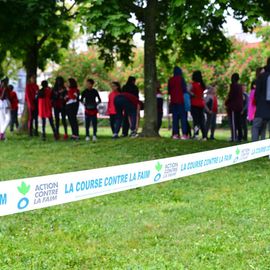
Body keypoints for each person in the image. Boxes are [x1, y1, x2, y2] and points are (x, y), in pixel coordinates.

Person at [252, 58, 270, 141]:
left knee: (256, 126)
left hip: (261, 107)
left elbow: (257, 93)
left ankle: (255, 147)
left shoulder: (262, 76)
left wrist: (258, 103)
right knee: (264, 127)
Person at [168, 66, 188, 139]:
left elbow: (169, 91)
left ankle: (175, 134)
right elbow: (184, 89)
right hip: (180, 100)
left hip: (173, 101)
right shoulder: (181, 79)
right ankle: (184, 134)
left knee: (175, 118)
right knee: (183, 118)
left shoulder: (170, 80)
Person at [189, 70, 207, 140]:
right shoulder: (202, 85)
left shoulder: (193, 84)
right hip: (201, 104)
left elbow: (187, 90)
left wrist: (192, 94)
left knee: (196, 121)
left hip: (194, 104)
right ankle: (204, 136)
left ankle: (196, 135)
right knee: (202, 121)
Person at [225, 73, 243, 142]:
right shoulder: (239, 86)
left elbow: (231, 96)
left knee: (233, 123)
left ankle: (234, 137)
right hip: (239, 106)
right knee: (238, 122)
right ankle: (240, 137)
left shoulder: (233, 86)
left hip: (233, 107)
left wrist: (226, 103)